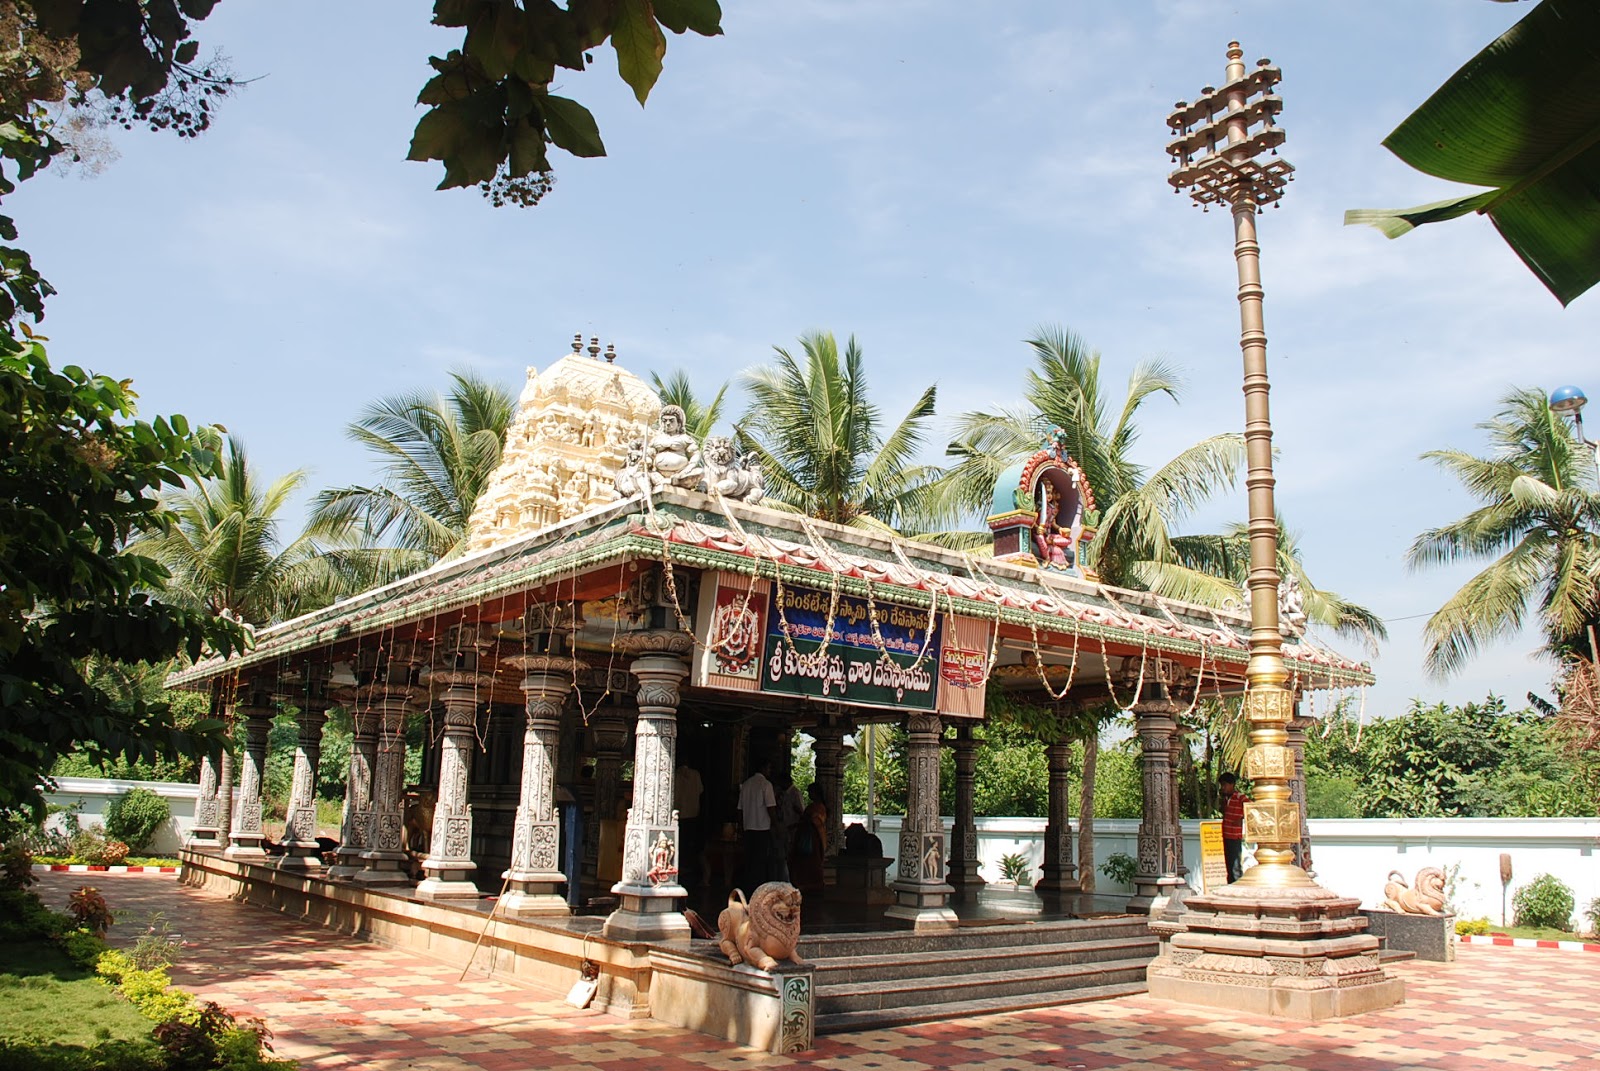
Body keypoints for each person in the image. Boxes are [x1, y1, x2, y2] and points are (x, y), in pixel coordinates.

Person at [737, 758, 777, 894]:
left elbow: (740, 809)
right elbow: (771, 807)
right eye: (769, 768)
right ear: (764, 768)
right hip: (762, 828)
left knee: (749, 859)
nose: (770, 771)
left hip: (748, 827)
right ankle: (759, 889)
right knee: (760, 861)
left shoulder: (746, 784)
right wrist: (776, 824)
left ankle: (748, 888)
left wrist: (741, 827)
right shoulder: (766, 785)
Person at [790, 782, 827, 895]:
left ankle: (812, 886)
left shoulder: (818, 807)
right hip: (809, 837)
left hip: (813, 839)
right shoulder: (814, 806)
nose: (809, 794)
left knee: (812, 863)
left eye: (810, 792)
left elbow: (814, 821)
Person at [675, 760, 704, 890]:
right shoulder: (695, 775)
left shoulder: (675, 775)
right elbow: (700, 791)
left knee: (681, 846)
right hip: (692, 814)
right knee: (690, 847)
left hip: (679, 815)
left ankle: (682, 872)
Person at [1220, 771, 1250, 883]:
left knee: (1235, 865)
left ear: (1232, 784)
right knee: (1229, 864)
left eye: (1224, 785)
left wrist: (1241, 818)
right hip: (1226, 834)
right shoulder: (1225, 799)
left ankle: (1238, 885)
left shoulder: (1240, 797)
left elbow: (1250, 808)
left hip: (1235, 836)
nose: (1223, 788)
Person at [774, 772, 804, 882]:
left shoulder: (795, 793)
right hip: (784, 827)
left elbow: (801, 812)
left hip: (792, 827)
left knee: (791, 855)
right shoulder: (783, 794)